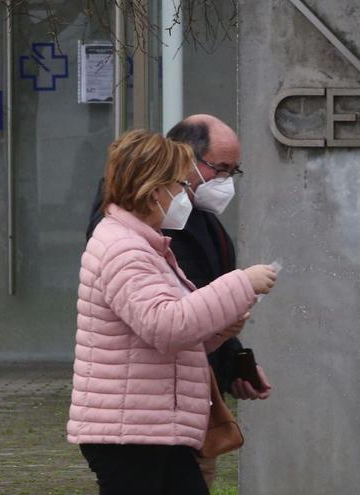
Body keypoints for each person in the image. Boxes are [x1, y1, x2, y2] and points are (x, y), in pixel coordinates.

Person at [69, 129, 277, 494]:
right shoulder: (124, 248)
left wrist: (223, 330)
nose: (185, 195)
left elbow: (169, 332)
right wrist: (241, 284)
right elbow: (166, 327)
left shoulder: (144, 244)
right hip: (132, 432)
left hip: (152, 426)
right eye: (179, 185)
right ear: (154, 190)